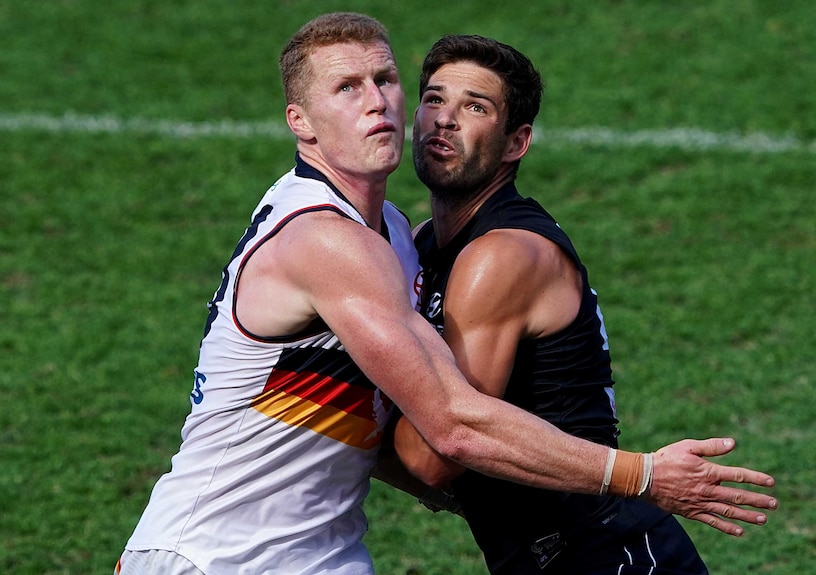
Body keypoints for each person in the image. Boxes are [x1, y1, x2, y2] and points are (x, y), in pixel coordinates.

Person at [115, 14, 776, 575]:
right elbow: (449, 429)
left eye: (385, 80)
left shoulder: (399, 239)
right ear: (302, 122)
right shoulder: (324, 239)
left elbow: (383, 428)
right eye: (347, 87)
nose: (377, 101)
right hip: (217, 555)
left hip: (319, 553)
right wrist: (641, 475)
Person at [391, 35, 770, 574]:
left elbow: (436, 454)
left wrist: (329, 401)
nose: (445, 120)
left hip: (602, 555)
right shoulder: (430, 244)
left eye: (475, 106)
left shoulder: (501, 256)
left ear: (516, 142)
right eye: (434, 99)